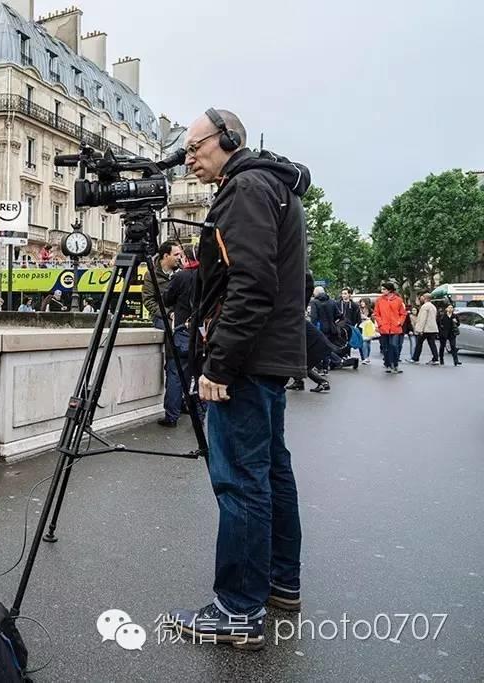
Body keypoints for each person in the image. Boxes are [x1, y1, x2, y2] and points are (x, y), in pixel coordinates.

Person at [172, 108, 309, 649]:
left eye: (195, 148)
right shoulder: (272, 187)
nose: (189, 160)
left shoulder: (245, 190)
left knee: (240, 481)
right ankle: (280, 584)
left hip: (246, 361)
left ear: (226, 140)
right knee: (271, 472)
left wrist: (218, 365)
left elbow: (251, 283)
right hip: (270, 357)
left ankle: (237, 610)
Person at [158, 244, 201, 427]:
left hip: (183, 332)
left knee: (175, 374)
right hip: (203, 335)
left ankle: (172, 416)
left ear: (186, 259)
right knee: (200, 377)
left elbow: (167, 299)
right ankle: (200, 417)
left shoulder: (181, 276)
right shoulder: (208, 276)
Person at [140, 240, 183, 330]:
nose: (179, 258)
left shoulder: (182, 272)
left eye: (180, 254)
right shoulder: (151, 274)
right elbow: (149, 301)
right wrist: (169, 313)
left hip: (182, 315)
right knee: (171, 329)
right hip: (161, 316)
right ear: (166, 256)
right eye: (176, 255)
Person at [373, 282, 407, 373]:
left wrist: (399, 322)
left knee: (394, 346)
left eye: (384, 289)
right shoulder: (379, 300)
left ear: (389, 290)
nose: (382, 291)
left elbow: (403, 313)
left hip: (395, 327)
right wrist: (380, 323)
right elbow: (376, 313)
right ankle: (388, 364)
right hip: (384, 327)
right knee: (385, 347)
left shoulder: (398, 300)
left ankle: (395, 364)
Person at [411, 293, 439, 364]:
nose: (421, 298)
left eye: (422, 297)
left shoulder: (425, 306)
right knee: (432, 344)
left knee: (419, 344)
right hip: (432, 328)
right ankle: (435, 359)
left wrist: (420, 330)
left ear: (425, 298)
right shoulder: (433, 306)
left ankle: (415, 358)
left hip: (425, 329)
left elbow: (423, 319)